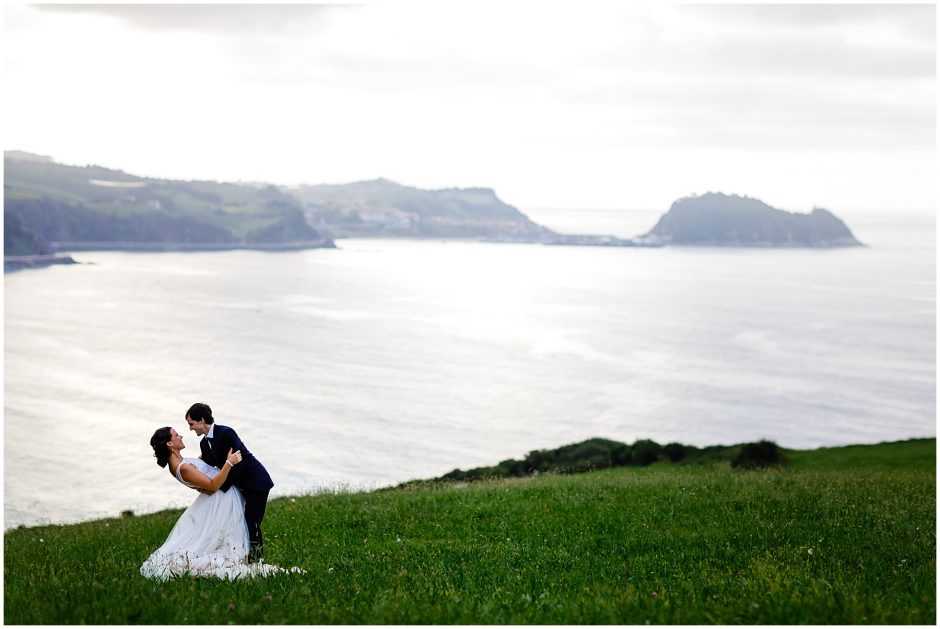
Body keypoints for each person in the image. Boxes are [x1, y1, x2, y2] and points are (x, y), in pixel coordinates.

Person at [140, 426, 290, 580]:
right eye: (176, 435)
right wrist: (229, 463)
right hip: (223, 497)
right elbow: (212, 485)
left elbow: (200, 479)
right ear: (170, 444)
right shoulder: (182, 468)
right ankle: (250, 558)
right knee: (233, 535)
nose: (181, 436)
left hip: (220, 496)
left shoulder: (179, 463)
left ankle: (252, 557)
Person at [185, 402, 274, 563]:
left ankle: (257, 560)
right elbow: (207, 465)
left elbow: (238, 463)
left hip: (256, 483)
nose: (190, 428)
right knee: (240, 522)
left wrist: (220, 487)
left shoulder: (226, 433)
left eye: (191, 424)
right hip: (239, 487)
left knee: (251, 522)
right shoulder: (204, 443)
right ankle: (245, 556)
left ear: (202, 420)